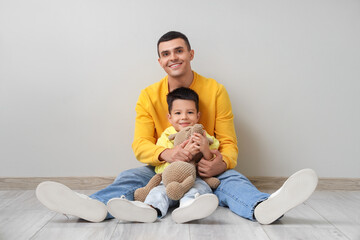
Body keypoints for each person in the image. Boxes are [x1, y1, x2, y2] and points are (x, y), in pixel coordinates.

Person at [36, 31, 318, 224]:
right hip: (162, 167)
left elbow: (228, 142)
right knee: (130, 177)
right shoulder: (148, 95)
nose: (173, 57)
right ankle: (92, 206)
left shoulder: (215, 90)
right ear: (160, 61)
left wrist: (220, 162)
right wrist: (167, 155)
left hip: (207, 164)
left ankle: (262, 207)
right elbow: (140, 144)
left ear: (191, 53)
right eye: (166, 53)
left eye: (179, 50)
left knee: (234, 179)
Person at [107, 87, 220, 224]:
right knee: (158, 192)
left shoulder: (203, 135)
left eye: (190, 112)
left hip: (195, 179)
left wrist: (205, 149)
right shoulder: (166, 136)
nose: (184, 117)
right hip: (168, 181)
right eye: (178, 113)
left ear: (197, 116)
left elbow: (212, 161)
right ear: (170, 118)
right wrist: (181, 156)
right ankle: (149, 209)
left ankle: (188, 208)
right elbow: (159, 166)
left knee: (200, 190)